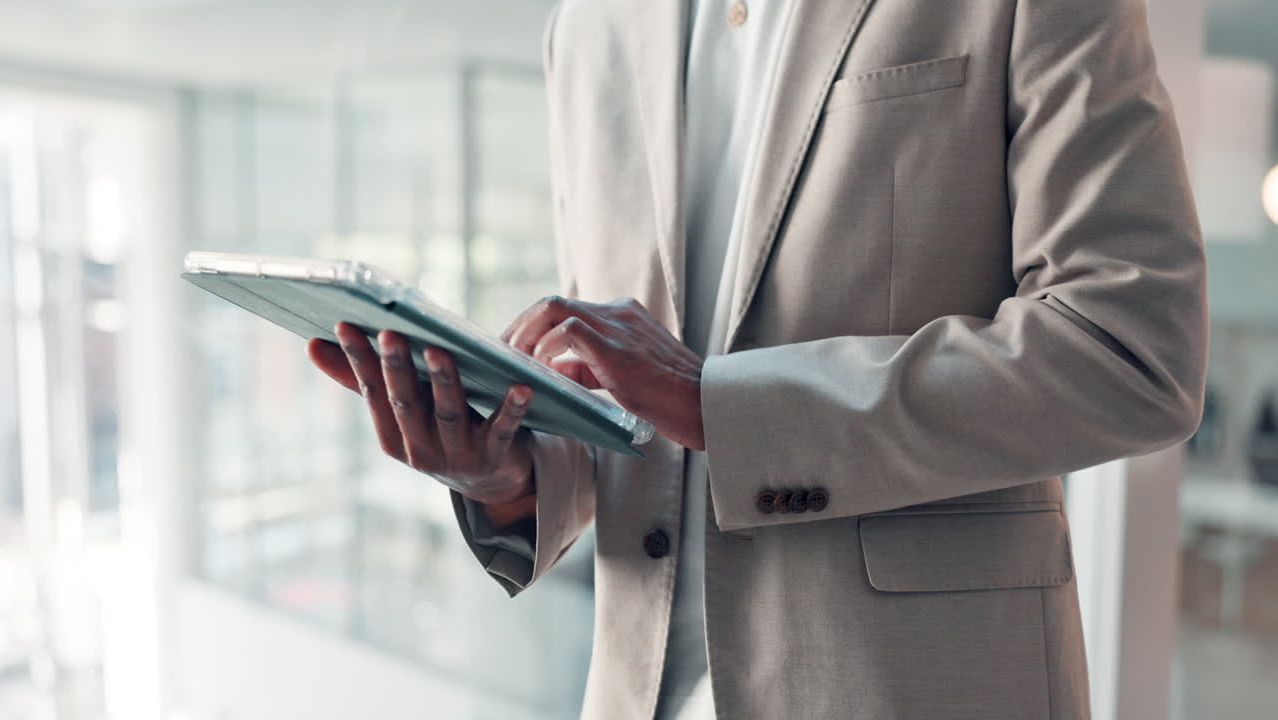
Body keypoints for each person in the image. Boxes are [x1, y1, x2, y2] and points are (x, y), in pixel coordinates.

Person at [307, 0, 1208, 717]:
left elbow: (1131, 347)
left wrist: (724, 404)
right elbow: (628, 414)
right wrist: (507, 476)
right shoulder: (587, 26)